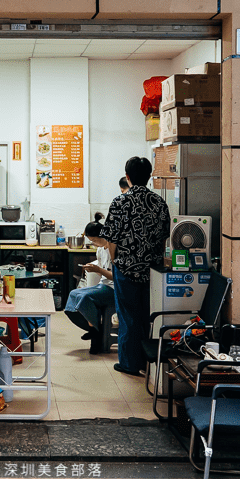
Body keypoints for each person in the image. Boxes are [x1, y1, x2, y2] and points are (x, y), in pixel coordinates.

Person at [101, 156, 171, 377]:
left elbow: (111, 238)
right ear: (149, 176)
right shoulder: (159, 202)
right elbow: (164, 237)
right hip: (153, 270)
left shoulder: (120, 202)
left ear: (127, 176)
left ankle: (130, 364)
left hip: (126, 268)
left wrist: (114, 260)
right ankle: (148, 361)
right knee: (148, 315)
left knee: (128, 317)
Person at [63, 213, 114, 349]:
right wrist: (94, 269)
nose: (93, 243)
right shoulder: (100, 250)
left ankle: (95, 331)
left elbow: (116, 277)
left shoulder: (113, 249)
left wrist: (98, 269)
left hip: (114, 288)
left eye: (94, 240)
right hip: (103, 285)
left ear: (102, 236)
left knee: (85, 297)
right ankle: (94, 328)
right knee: (74, 294)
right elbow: (103, 272)